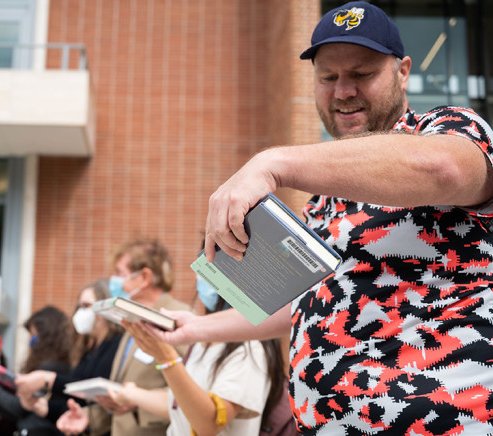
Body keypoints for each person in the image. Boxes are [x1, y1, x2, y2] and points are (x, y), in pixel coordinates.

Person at [149, 2, 493, 435]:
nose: (343, 91)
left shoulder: (446, 127)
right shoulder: (325, 199)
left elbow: (446, 168)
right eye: (328, 77)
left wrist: (272, 163)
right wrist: (198, 328)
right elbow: (304, 300)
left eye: (362, 74)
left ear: (403, 71)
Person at [98, 276, 285, 435]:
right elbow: (180, 405)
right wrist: (131, 394)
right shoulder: (201, 343)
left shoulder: (251, 348)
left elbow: (210, 423)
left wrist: (167, 359)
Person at [52, 237, 191, 435]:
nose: (113, 281)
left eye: (119, 273)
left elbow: (192, 394)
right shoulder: (132, 320)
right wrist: (90, 417)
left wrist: (137, 402)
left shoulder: (178, 319)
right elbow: (123, 399)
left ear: (144, 277)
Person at [13, 279, 124, 435]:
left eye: (86, 306)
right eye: (79, 306)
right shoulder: (88, 350)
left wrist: (48, 379)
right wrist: (43, 407)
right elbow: (78, 404)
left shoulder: (116, 344)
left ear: (103, 307)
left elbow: (97, 392)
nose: (80, 312)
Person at [0, 305, 73, 436]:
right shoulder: (60, 364)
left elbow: (22, 406)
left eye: (33, 334)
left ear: (47, 336)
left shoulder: (49, 369)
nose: (30, 340)